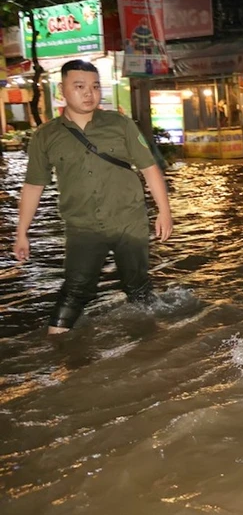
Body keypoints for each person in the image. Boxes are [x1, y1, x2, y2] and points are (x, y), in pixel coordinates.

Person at [13, 60, 173, 334]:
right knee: (75, 289)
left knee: (138, 286)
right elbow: (33, 185)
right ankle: (57, 352)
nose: (89, 93)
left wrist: (164, 211)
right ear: (62, 90)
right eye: (80, 86)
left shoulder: (120, 124)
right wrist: (21, 232)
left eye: (95, 86)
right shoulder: (46, 136)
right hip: (82, 227)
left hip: (129, 222)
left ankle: (156, 346)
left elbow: (149, 167)